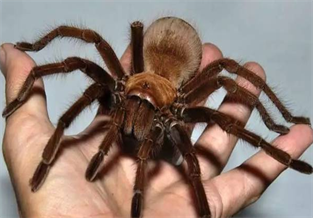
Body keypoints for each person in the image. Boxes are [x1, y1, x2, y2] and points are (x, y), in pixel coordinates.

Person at [0, 42, 312, 218]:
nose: (134, 118)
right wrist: (46, 160)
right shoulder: (117, 89)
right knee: (84, 53)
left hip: (175, 66)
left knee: (225, 91)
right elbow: (83, 48)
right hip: (151, 67)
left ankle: (278, 122)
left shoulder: (179, 105)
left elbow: (226, 98)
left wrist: (273, 124)